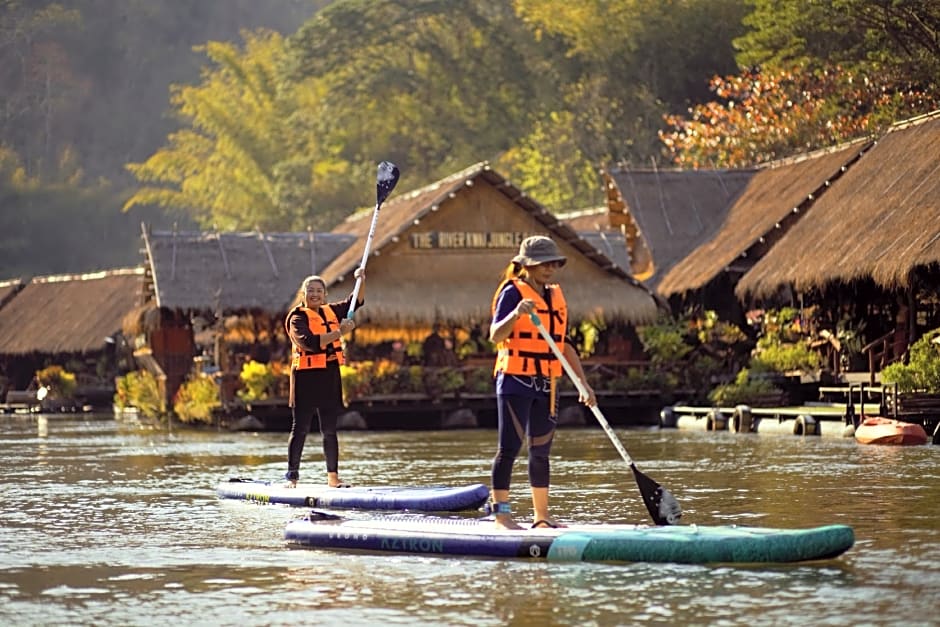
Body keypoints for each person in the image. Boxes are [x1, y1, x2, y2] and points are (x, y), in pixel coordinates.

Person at [488, 235, 596, 529]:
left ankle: (542, 517)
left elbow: (566, 345)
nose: (549, 269)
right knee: (509, 448)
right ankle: (502, 517)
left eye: (553, 263)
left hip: (547, 382)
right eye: (542, 264)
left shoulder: (554, 296)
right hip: (514, 380)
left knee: (541, 453)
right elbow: (495, 335)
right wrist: (516, 314)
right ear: (526, 265)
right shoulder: (511, 293)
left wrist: (582, 385)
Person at [284, 268, 364, 488]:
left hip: (329, 375)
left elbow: (354, 301)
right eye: (311, 291)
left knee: (329, 429)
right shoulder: (298, 318)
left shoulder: (330, 311)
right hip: (305, 378)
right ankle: (292, 477)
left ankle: (333, 477)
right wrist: (340, 333)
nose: (315, 294)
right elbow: (308, 342)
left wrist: (361, 280)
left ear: (325, 294)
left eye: (319, 291)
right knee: (299, 427)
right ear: (303, 294)